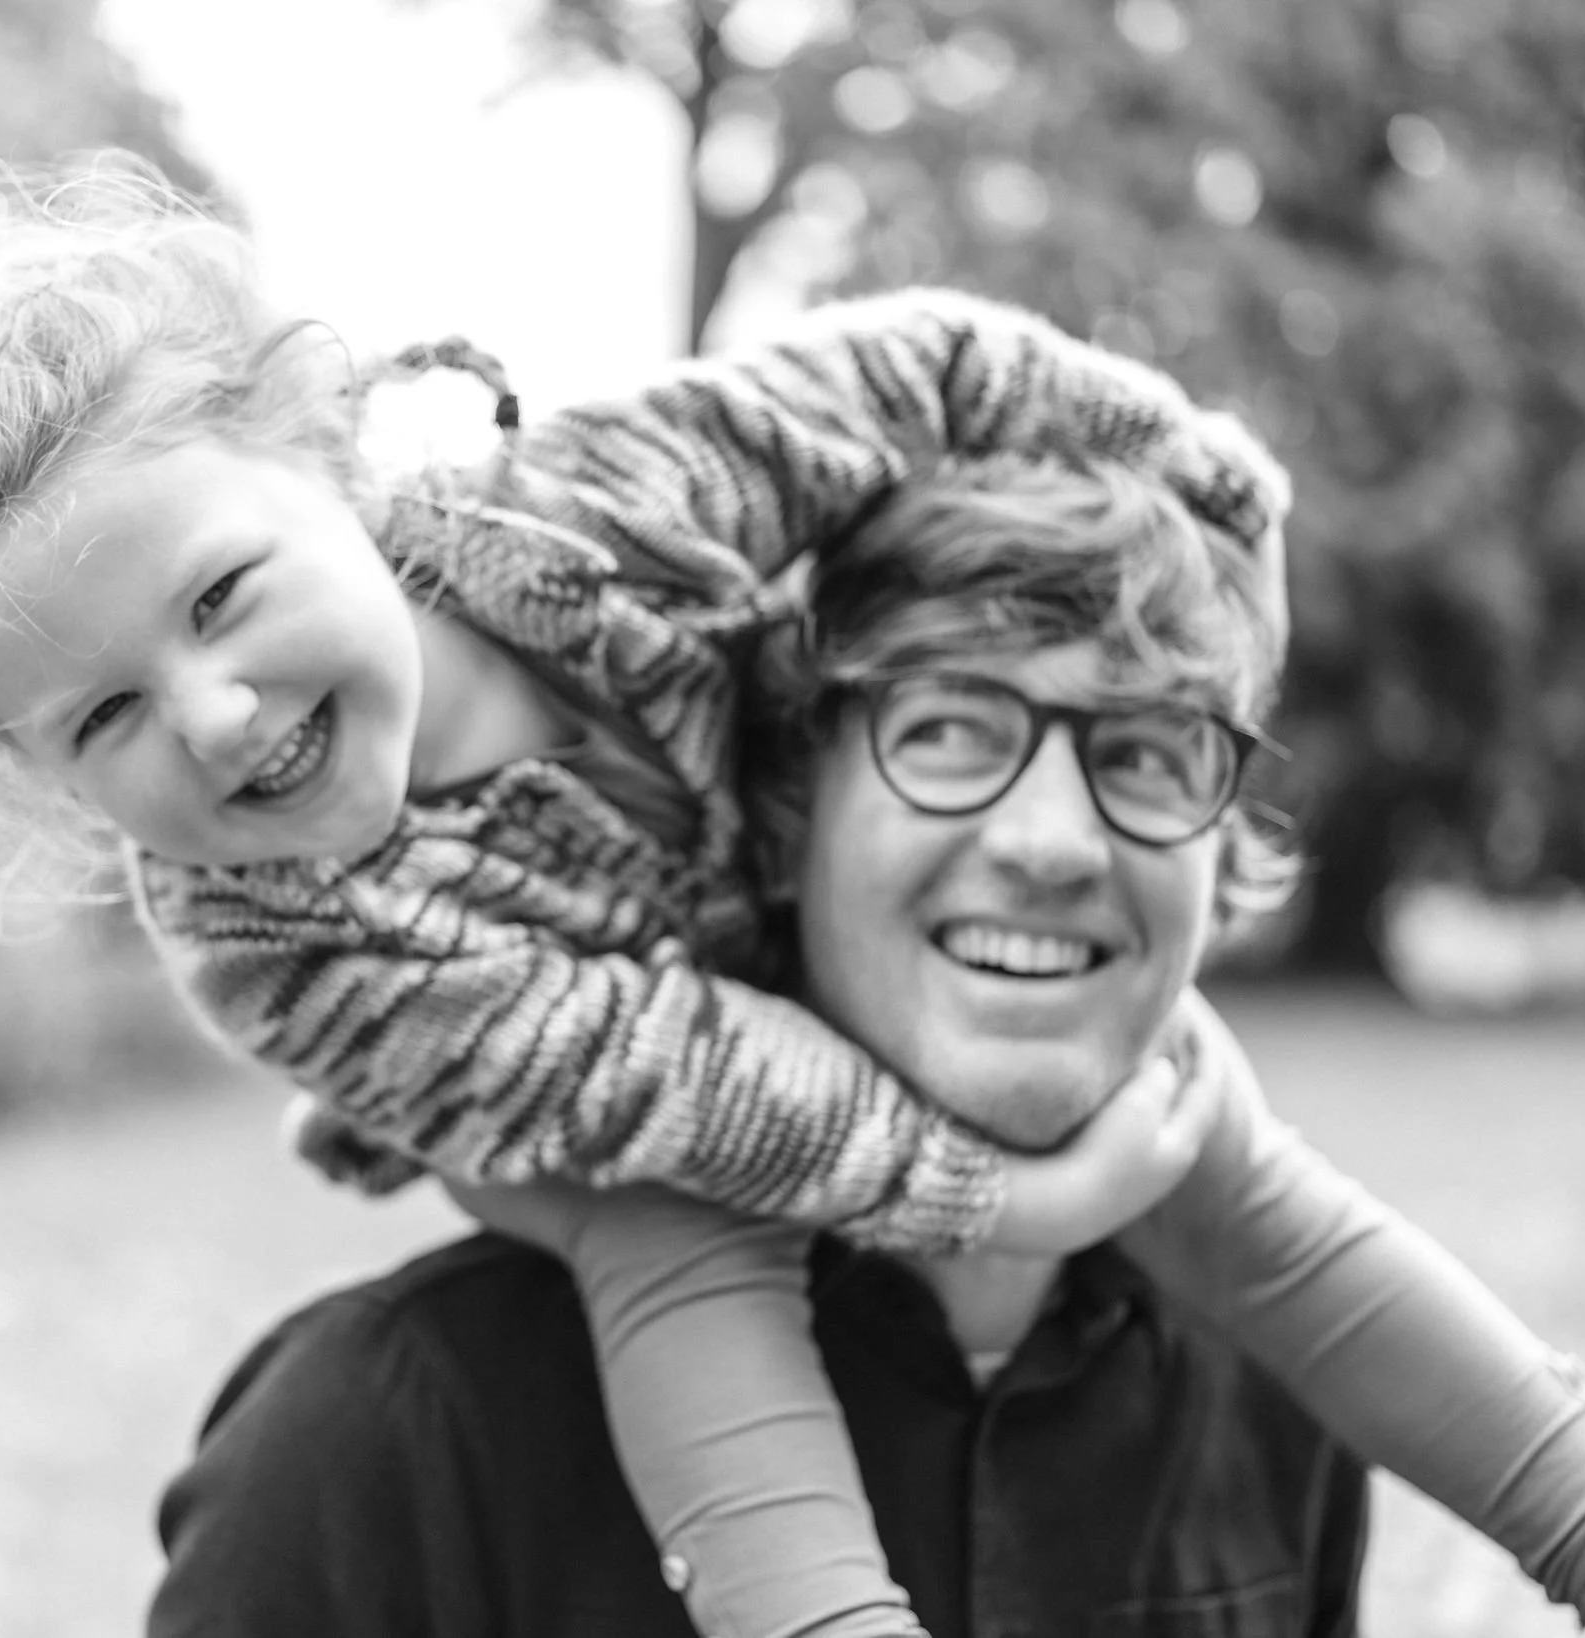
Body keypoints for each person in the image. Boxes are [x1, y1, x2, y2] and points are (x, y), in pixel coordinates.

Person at [0, 151, 1585, 1638]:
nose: (214, 713)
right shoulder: (279, 948)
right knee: (682, 1245)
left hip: (762, 940)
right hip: (582, 1104)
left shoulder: (606, 505)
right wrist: (1012, 1192)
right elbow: (689, 1076)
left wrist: (1192, 465)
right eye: (104, 714)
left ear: (330, 455)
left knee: (1233, 1168)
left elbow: (926, 368)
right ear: (43, 772)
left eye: (220, 596)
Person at [144, 453, 1382, 1638]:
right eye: (946, 731)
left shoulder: (1275, 1410)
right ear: (781, 815)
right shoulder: (379, 1450)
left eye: (1146, 751)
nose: (1052, 844)